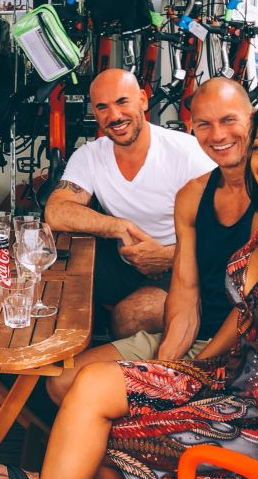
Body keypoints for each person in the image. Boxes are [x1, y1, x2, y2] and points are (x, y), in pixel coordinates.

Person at [0, 78, 258, 479]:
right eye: (204, 125)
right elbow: (199, 298)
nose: (219, 137)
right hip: (229, 364)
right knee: (74, 386)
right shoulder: (222, 201)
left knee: (106, 428)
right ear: (192, 126)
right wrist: (172, 370)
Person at [46, 68, 214, 338]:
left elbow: (227, 233)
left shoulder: (187, 153)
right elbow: (56, 211)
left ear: (143, 100)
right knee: (50, 288)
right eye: (103, 107)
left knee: (131, 316)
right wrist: (119, 227)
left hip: (181, 268)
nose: (114, 116)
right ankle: (65, 364)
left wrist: (169, 256)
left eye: (122, 102)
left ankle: (113, 376)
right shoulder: (90, 156)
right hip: (123, 262)